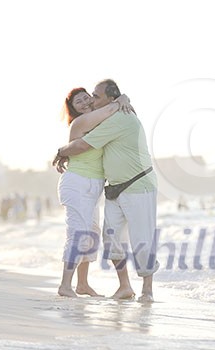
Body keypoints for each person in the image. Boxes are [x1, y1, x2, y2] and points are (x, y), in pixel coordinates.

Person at [54, 79, 159, 302]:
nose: (90, 100)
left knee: (140, 238)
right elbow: (81, 143)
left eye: (94, 96)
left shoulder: (118, 118)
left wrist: (61, 151)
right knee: (105, 239)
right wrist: (63, 150)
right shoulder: (94, 120)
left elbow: (83, 145)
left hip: (136, 185)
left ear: (110, 99)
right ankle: (121, 286)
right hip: (103, 187)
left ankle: (146, 290)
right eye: (83, 98)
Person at [56, 86, 134, 298]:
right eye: (77, 103)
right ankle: (65, 285)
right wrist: (121, 99)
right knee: (77, 233)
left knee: (91, 235)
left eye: (85, 98)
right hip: (77, 183)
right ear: (73, 110)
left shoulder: (101, 121)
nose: (83, 103)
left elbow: (109, 114)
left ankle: (82, 285)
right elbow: (109, 111)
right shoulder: (79, 123)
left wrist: (121, 100)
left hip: (94, 186)